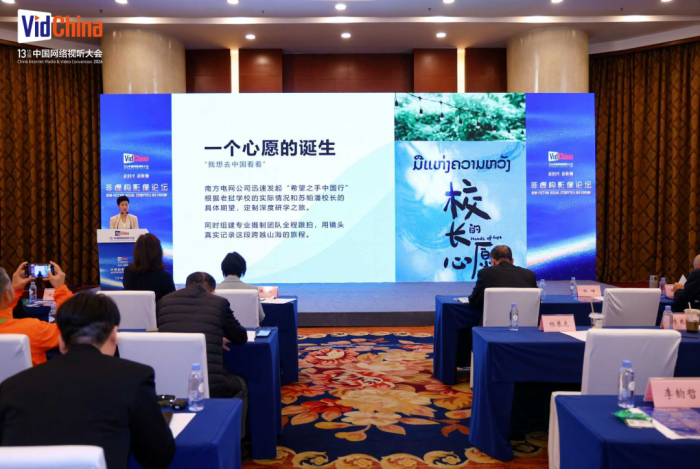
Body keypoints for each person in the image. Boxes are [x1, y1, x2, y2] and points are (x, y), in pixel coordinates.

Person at [0, 292, 176, 469]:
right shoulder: (134, 377)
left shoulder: (11, 386)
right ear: (114, 335)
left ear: (61, 342)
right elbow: (158, 456)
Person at [157, 272, 249, 440]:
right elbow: (240, 337)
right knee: (241, 386)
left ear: (185, 286)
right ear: (212, 291)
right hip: (210, 383)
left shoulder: (164, 301)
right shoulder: (219, 303)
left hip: (169, 382)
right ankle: (236, 442)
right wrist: (217, 336)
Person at [0, 262, 73, 365]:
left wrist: (15, 290)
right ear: (7, 295)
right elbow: (69, 328)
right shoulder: (31, 329)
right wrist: (60, 288)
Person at [467, 245, 537, 311]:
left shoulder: (484, 273)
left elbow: (474, 302)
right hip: (523, 319)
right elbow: (536, 301)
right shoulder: (529, 275)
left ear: (493, 261)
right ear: (512, 261)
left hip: (493, 319)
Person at [123, 233, 175, 302]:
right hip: (158, 309)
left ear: (136, 251)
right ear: (158, 252)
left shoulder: (128, 272)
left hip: (132, 309)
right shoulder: (165, 277)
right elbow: (172, 303)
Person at [217, 252, 265, 322]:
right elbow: (261, 317)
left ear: (223, 269)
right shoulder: (252, 290)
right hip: (248, 328)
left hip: (221, 329)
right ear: (242, 270)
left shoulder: (213, 290)